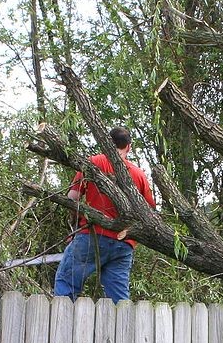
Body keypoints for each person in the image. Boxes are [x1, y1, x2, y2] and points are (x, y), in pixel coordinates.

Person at [52, 126, 157, 303]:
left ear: (106, 143)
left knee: (66, 286)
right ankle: (123, 330)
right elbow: (149, 211)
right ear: (128, 147)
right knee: (119, 300)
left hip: (91, 235)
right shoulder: (139, 175)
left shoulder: (91, 163)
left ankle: (61, 328)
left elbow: (73, 198)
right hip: (123, 243)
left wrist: (76, 224)